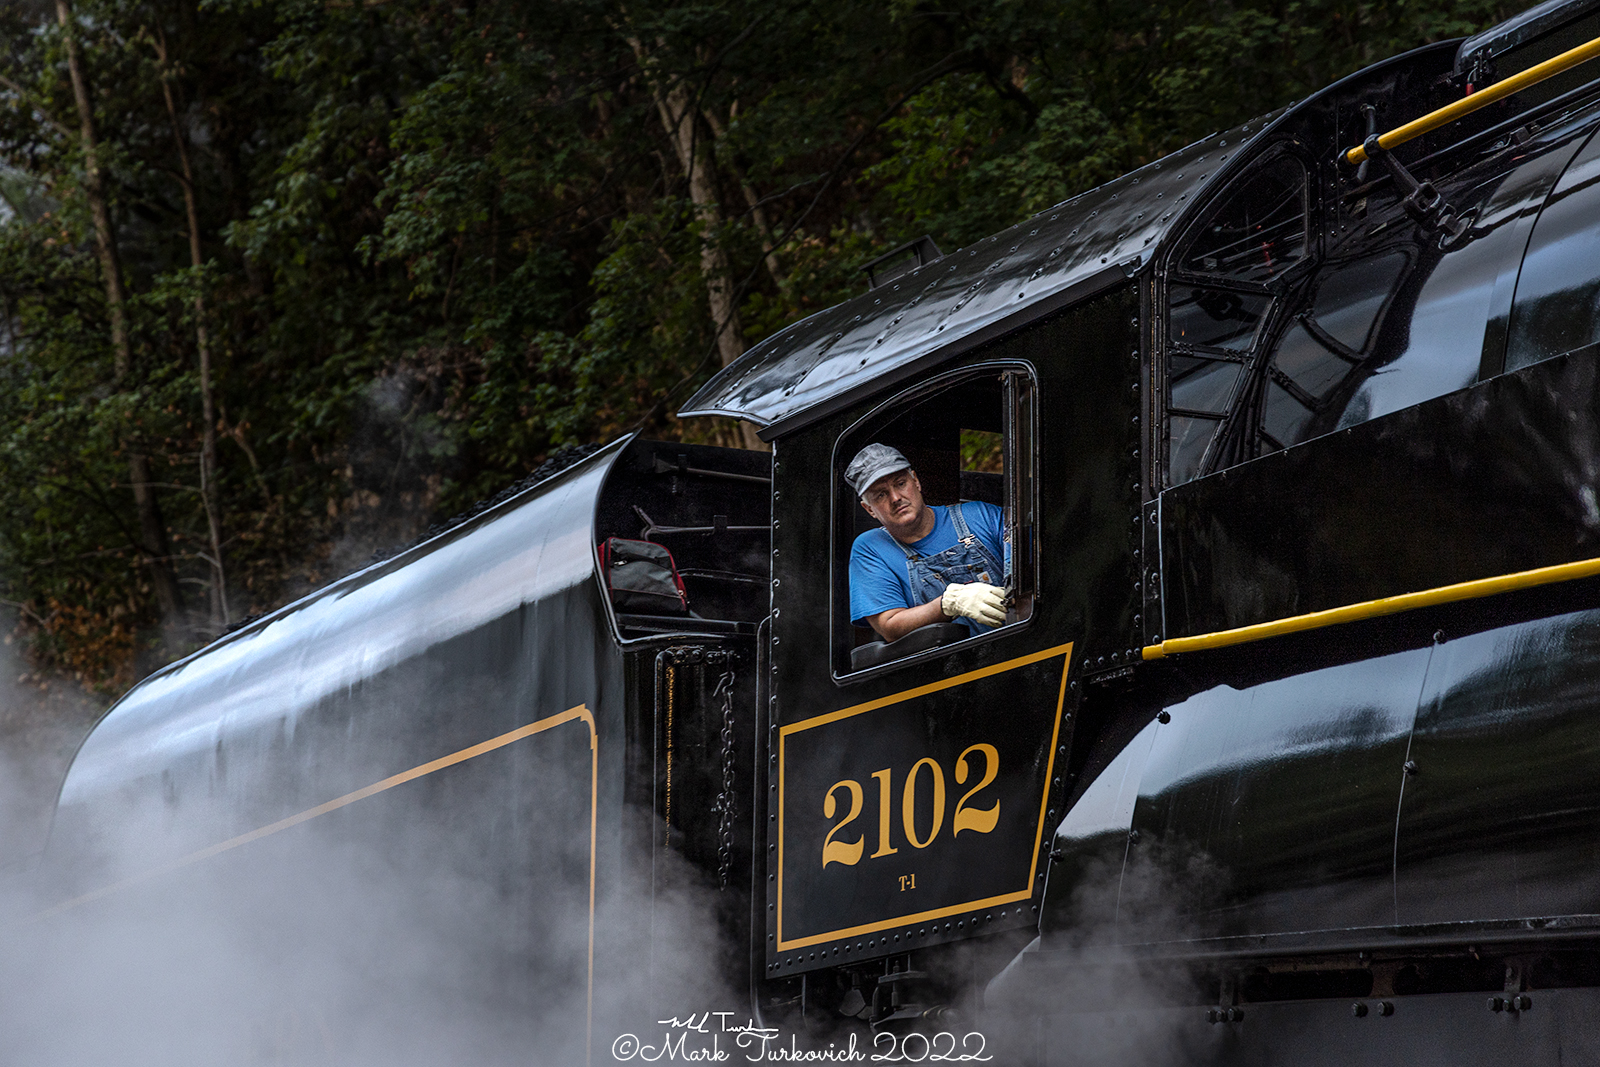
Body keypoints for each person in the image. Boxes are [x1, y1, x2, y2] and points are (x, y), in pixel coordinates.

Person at [846, 442, 1008, 643]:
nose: (896, 498)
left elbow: (1032, 569)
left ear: (916, 481)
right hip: (951, 668)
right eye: (881, 494)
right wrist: (948, 604)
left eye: (900, 483)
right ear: (869, 509)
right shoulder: (871, 549)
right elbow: (889, 625)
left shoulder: (981, 516)